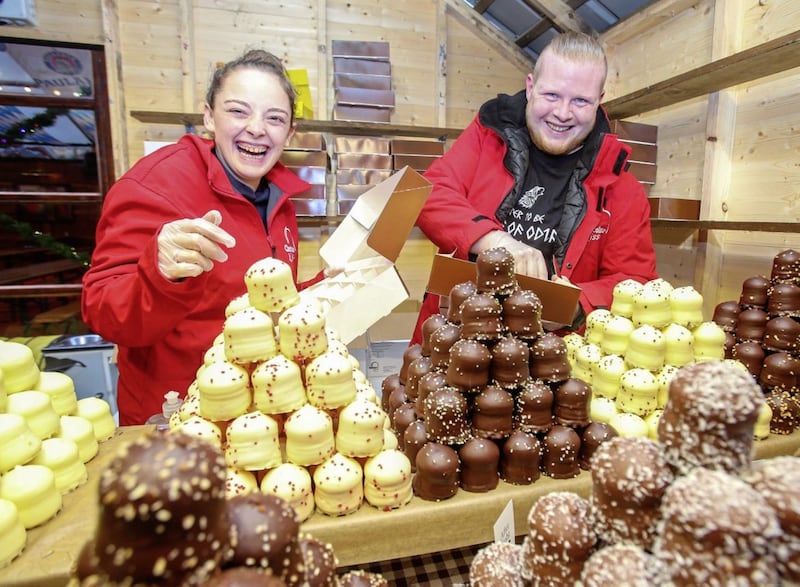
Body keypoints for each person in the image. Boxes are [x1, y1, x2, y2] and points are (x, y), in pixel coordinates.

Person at [82, 49, 332, 425]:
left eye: (275, 118)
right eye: (238, 111)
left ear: (290, 132)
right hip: (175, 412)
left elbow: (257, 298)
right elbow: (103, 312)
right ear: (208, 116)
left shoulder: (279, 196)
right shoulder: (156, 184)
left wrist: (323, 286)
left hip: (256, 411)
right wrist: (160, 273)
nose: (257, 128)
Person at [411, 32, 658, 344]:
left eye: (580, 100)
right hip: (455, 341)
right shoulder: (488, 136)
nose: (563, 113)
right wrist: (496, 241)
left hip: (551, 360)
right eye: (552, 95)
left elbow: (636, 281)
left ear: (599, 101)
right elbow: (428, 193)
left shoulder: (621, 184)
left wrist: (576, 305)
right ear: (530, 87)